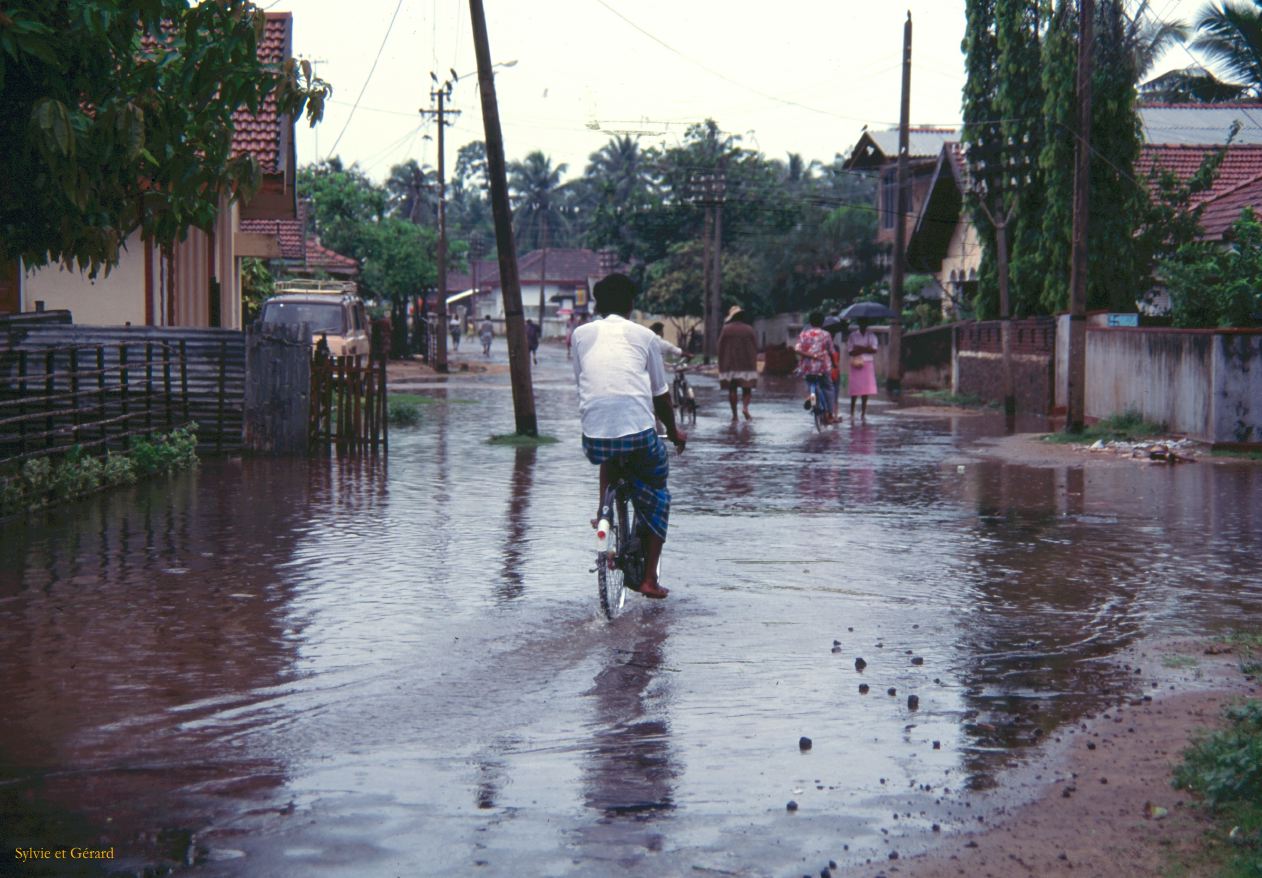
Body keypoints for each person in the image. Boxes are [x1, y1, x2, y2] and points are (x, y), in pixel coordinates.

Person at [572, 273, 686, 600]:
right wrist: (675, 431)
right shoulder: (645, 336)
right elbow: (661, 396)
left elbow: (582, 383)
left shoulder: (580, 335)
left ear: (598, 304)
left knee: (609, 452)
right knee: (657, 492)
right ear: (631, 304)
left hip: (594, 435)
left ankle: (603, 512)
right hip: (638, 433)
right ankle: (648, 579)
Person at [717, 305, 758, 421]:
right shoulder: (749, 329)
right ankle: (745, 408)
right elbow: (755, 346)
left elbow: (720, 347)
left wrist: (721, 363)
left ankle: (735, 415)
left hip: (730, 364)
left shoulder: (726, 329)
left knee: (732, 389)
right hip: (747, 364)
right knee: (747, 388)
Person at [794, 311, 836, 423]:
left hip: (807, 367)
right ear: (822, 322)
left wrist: (810, 355)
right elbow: (832, 351)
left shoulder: (803, 334)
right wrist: (834, 364)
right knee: (828, 388)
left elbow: (797, 349)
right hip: (823, 366)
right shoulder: (826, 334)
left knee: (811, 385)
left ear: (810, 322)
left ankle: (812, 400)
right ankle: (830, 414)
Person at [847, 318, 880, 419]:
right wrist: (866, 348)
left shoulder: (872, 335)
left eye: (865, 323)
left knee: (865, 390)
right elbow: (850, 351)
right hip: (856, 362)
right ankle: (852, 412)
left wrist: (859, 348)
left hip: (868, 362)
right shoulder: (853, 336)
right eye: (861, 322)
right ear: (859, 324)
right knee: (855, 389)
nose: (863, 325)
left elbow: (874, 350)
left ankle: (863, 412)